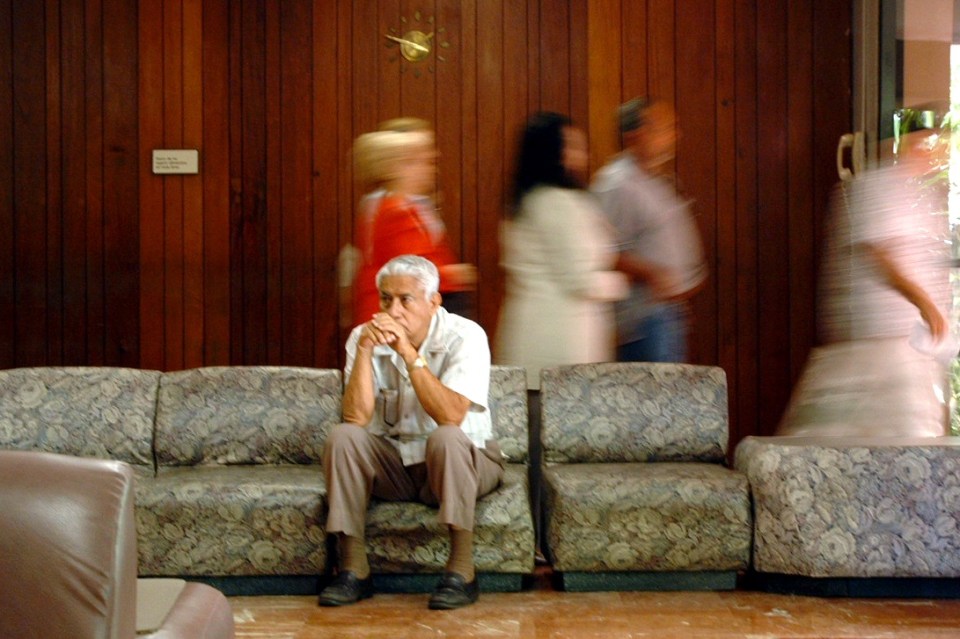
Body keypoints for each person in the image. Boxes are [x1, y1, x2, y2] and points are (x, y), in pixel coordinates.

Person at [319, 254, 503, 610]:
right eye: (386, 299)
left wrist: (408, 353)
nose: (394, 311)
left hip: (466, 460)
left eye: (406, 300)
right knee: (343, 436)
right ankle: (354, 570)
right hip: (398, 465)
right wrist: (365, 350)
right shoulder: (362, 337)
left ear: (434, 302)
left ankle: (462, 572)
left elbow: (451, 415)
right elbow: (356, 417)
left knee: (446, 437)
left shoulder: (465, 336)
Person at [495, 111, 629, 390]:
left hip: (533, 328)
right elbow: (580, 279)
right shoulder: (558, 203)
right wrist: (621, 283)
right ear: (552, 152)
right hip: (562, 337)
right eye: (572, 146)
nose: (583, 153)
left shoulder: (526, 200)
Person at [818, 113, 952, 349]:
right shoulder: (877, 187)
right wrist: (924, 304)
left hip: (910, 335)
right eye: (926, 142)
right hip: (880, 334)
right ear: (908, 143)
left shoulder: (919, 193)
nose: (934, 153)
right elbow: (878, 256)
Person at [590, 98, 708, 363]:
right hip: (643, 320)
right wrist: (653, 274)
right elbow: (603, 252)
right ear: (635, 134)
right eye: (664, 127)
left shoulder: (655, 179)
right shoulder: (617, 184)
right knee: (655, 391)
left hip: (666, 313)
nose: (675, 135)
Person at [348, 124, 476, 327]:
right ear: (397, 168)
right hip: (394, 319)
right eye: (421, 162)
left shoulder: (388, 204)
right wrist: (453, 274)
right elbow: (413, 269)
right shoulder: (396, 211)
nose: (431, 169)